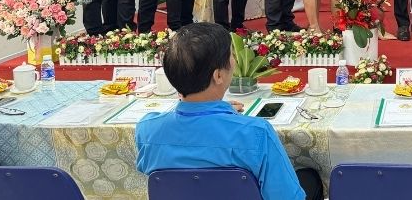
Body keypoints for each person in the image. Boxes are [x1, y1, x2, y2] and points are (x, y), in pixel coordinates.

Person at [135, 23, 323, 200]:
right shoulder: (257, 133)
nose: (234, 60)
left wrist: (217, 114)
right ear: (218, 75)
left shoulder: (147, 129)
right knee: (310, 178)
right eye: (231, 54)